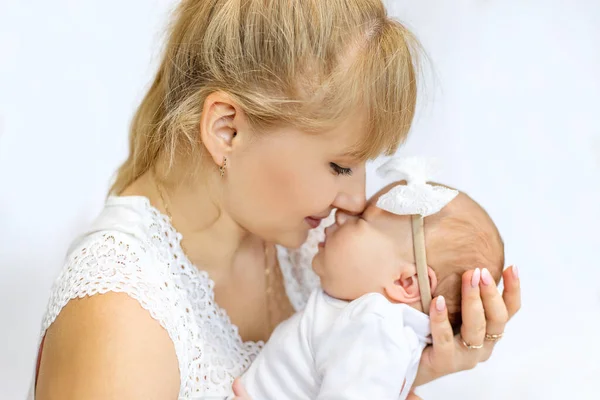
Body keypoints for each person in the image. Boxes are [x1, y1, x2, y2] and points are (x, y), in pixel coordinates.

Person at [31, 1, 521, 399]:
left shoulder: (310, 251)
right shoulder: (120, 319)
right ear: (227, 130)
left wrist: (413, 366)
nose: (356, 200)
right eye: (339, 165)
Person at [236, 159, 505, 400]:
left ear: (406, 282)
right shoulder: (376, 330)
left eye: (361, 219)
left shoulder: (376, 325)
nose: (342, 215)